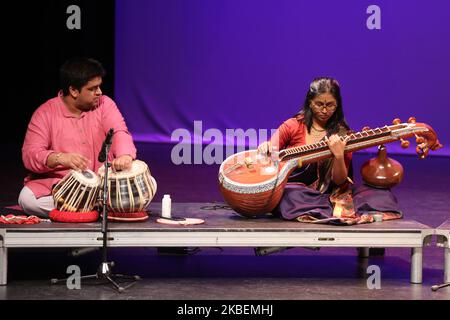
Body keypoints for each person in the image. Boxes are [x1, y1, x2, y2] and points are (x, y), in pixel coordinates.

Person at [258, 77, 401, 224]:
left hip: (328, 193)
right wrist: (266, 146)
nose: (325, 110)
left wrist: (338, 156)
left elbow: (339, 181)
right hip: (297, 191)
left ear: (337, 105)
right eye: (319, 104)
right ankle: (321, 210)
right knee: (289, 195)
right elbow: (271, 147)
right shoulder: (293, 125)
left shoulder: (342, 134)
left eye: (330, 105)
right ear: (310, 103)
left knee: (382, 197)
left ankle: (321, 210)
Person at [19, 57, 137, 218]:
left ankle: (80, 212)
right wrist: (60, 158)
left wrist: (124, 155)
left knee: (146, 186)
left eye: (99, 87)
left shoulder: (104, 104)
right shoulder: (45, 113)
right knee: (27, 199)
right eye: (93, 88)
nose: (99, 92)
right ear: (74, 91)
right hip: (61, 186)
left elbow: (119, 131)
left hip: (102, 185)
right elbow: (30, 154)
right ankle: (94, 211)